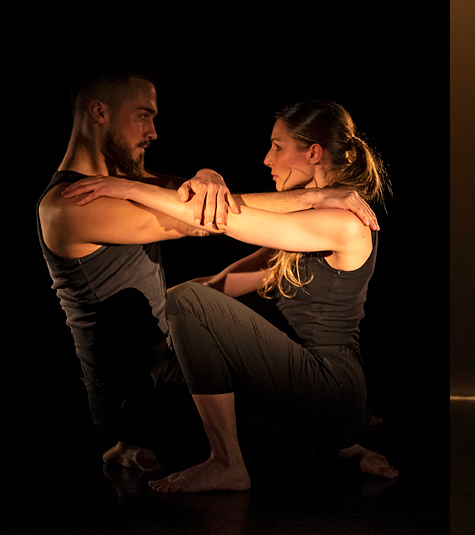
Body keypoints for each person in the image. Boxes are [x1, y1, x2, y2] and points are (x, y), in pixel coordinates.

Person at [37, 58, 379, 472]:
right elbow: (202, 221)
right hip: (136, 391)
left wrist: (208, 174)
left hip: (168, 373)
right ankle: (322, 440)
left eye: (276, 146)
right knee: (196, 309)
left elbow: (203, 202)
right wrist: (310, 197)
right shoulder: (71, 205)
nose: (153, 132)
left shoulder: (139, 186)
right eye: (143, 116)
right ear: (99, 112)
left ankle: (334, 436)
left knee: (279, 420)